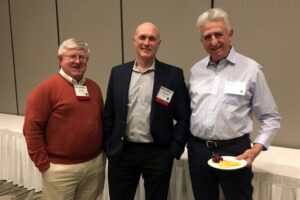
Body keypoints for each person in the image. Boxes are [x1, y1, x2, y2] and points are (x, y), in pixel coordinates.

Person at [188, 8, 281, 200]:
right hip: (198, 151)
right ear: (201, 41)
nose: (213, 41)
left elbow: (270, 117)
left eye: (218, 34)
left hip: (235, 152)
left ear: (230, 34)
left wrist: (256, 148)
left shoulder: (251, 70)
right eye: (207, 37)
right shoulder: (196, 70)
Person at [103, 22, 190, 200]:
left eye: (152, 38)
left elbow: (183, 117)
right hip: (123, 152)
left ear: (159, 43)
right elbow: (109, 114)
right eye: (142, 37)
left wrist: (173, 150)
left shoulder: (173, 75)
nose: (146, 42)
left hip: (158, 153)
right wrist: (109, 146)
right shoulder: (118, 73)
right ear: (134, 40)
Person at [23, 38, 106, 200]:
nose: (77, 61)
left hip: (94, 165)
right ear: (60, 59)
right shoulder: (45, 90)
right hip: (60, 169)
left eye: (82, 57)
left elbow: (100, 122)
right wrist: (44, 165)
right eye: (72, 56)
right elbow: (32, 130)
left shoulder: (94, 87)